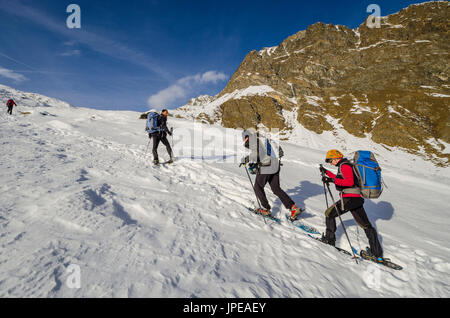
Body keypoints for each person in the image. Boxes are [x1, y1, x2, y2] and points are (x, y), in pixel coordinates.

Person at [319, 149, 384, 260]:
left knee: (329, 213)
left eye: (331, 160)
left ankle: (329, 241)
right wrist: (328, 174)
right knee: (366, 225)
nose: (330, 163)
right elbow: (341, 178)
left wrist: (331, 180)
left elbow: (348, 182)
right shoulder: (345, 165)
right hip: (356, 199)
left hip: (350, 198)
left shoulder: (345, 166)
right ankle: (376, 253)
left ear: (336, 158)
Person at [241, 129, 301, 220]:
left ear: (247, 136)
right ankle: (293, 207)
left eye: (245, 138)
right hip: (276, 164)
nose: (244, 141)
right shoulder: (264, 139)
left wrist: (247, 159)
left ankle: (266, 209)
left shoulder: (253, 139)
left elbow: (257, 152)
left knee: (258, 187)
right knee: (276, 188)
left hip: (267, 166)